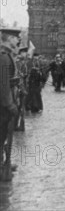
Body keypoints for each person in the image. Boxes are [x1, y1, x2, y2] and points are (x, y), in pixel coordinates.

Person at [0, 28, 21, 180]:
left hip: (6, 101)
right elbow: (3, 83)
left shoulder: (7, 55)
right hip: (3, 104)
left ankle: (2, 164)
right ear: (8, 39)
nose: (17, 41)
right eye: (15, 38)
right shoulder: (4, 57)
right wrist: (9, 104)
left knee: (4, 134)